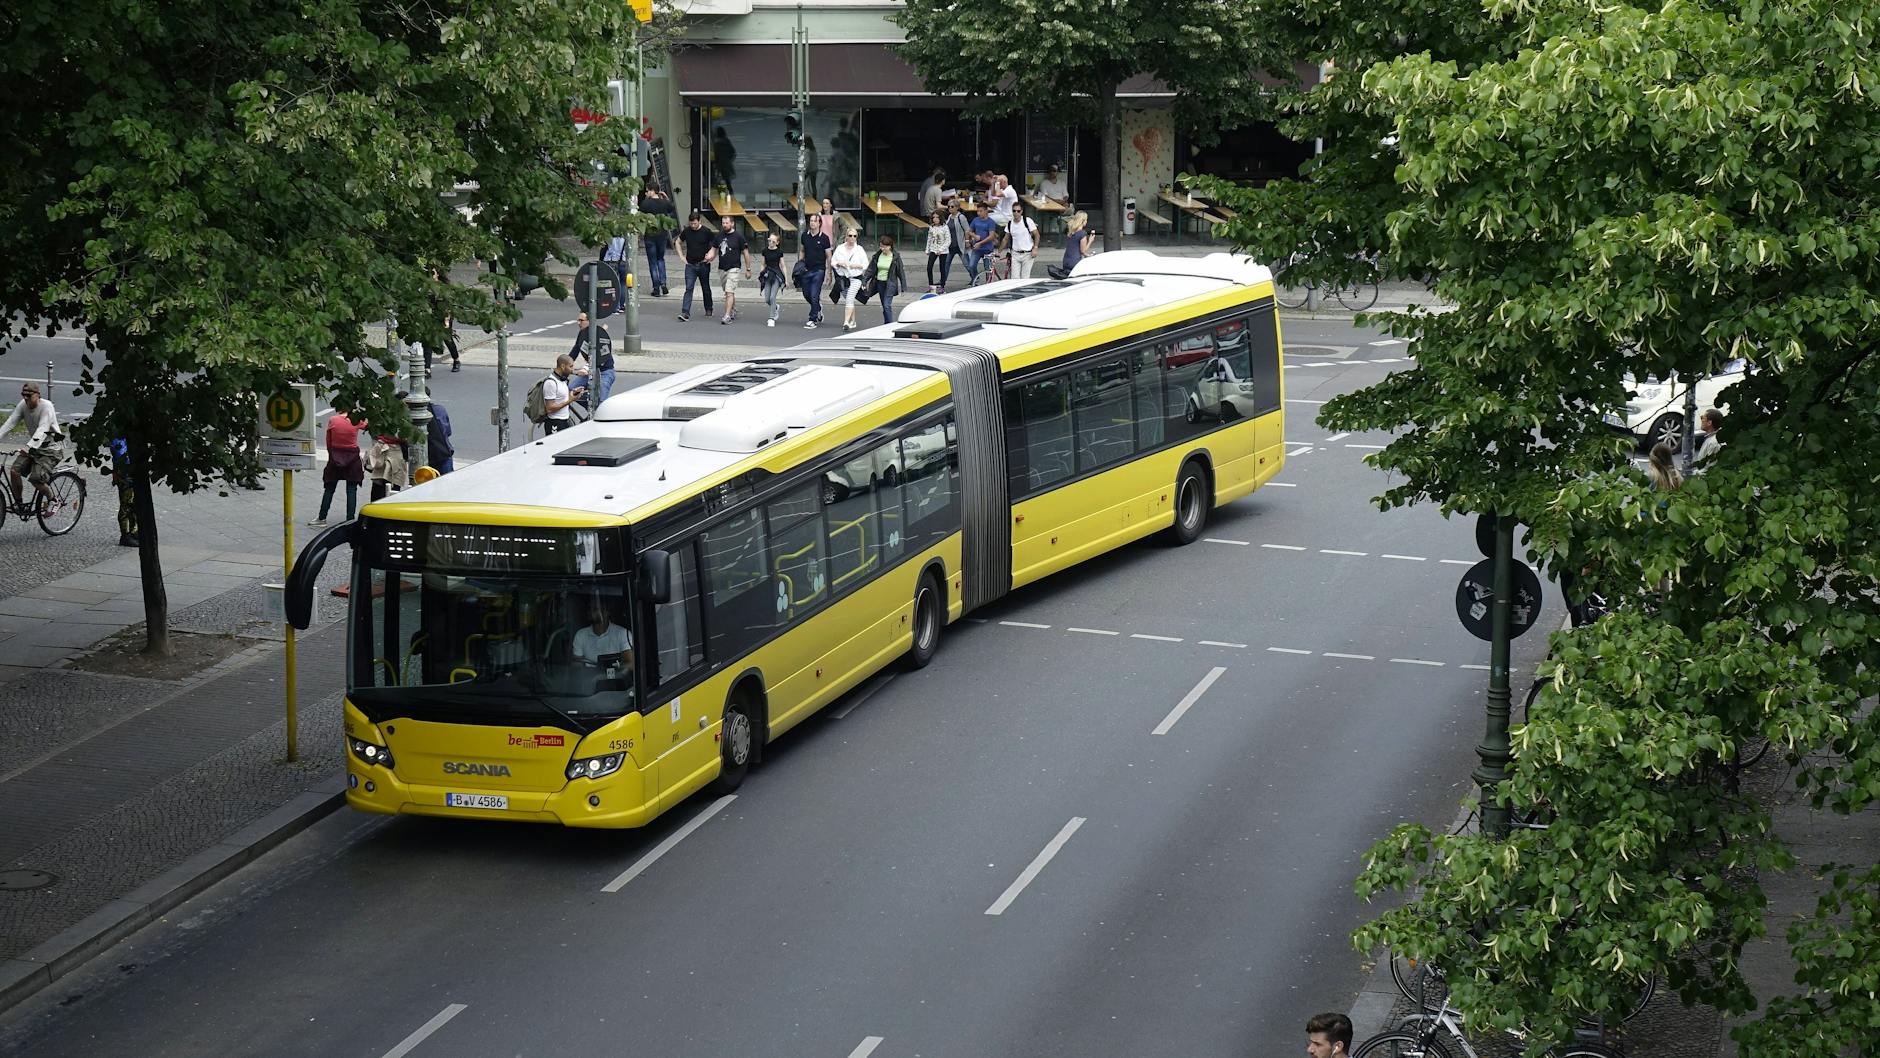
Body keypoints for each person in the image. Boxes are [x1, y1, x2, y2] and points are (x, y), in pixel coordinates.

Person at [2, 382, 61, 513]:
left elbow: (43, 428)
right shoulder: (23, 405)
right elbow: (10, 422)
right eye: (24, 395)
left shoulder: (46, 406)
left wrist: (29, 446)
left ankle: (53, 500)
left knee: (36, 479)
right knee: (14, 471)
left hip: (51, 448)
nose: (26, 398)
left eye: (29, 395)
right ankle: (19, 503)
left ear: (37, 395)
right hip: (34, 447)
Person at [310, 409, 364, 525]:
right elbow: (366, 426)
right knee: (351, 489)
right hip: (352, 457)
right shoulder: (356, 420)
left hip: (335, 456)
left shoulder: (333, 420)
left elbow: (328, 440)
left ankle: (322, 517)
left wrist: (331, 455)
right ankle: (350, 520)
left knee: (329, 488)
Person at [674, 211, 717, 322]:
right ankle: (685, 312)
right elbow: (678, 242)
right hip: (690, 264)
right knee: (689, 288)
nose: (693, 226)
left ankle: (709, 308)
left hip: (703, 264)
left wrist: (712, 256)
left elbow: (715, 244)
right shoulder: (687, 231)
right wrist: (681, 256)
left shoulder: (706, 232)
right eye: (691, 223)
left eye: (695, 223)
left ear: (699, 221)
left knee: (705, 288)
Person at [572, 597, 634, 671]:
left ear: (606, 612)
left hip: (616, 679)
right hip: (588, 680)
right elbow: (577, 665)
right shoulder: (580, 635)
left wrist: (609, 672)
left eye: (595, 609)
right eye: (589, 609)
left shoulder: (623, 633)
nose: (590, 612)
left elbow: (630, 664)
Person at [570, 311, 614, 407]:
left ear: (589, 321)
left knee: (602, 400)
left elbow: (600, 359)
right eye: (578, 320)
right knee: (572, 390)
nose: (579, 323)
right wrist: (564, 365)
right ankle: (592, 410)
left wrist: (585, 368)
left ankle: (599, 411)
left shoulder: (599, 334)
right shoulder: (582, 334)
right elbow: (575, 351)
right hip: (590, 371)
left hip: (605, 371)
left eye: (581, 320)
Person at [638, 186, 675, 297]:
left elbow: (640, 215)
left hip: (650, 235)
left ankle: (656, 288)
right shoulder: (664, 203)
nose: (646, 193)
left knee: (652, 262)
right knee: (660, 259)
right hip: (662, 234)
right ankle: (663, 282)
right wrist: (666, 198)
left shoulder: (645, 204)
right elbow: (671, 208)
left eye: (647, 190)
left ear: (652, 191)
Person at [832, 227, 870, 331]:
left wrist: (856, 266)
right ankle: (853, 321)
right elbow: (833, 262)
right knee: (849, 299)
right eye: (850, 235)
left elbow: (866, 264)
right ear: (846, 236)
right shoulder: (840, 248)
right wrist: (839, 263)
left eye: (854, 236)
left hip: (856, 278)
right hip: (844, 279)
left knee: (849, 298)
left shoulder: (859, 249)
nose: (852, 238)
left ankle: (846, 322)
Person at [367, 408, 409, 503]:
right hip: (395, 454)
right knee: (394, 484)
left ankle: (375, 509)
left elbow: (373, 432)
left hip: (381, 451)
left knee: (378, 484)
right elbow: (405, 438)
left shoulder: (383, 416)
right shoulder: (403, 419)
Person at [715, 214, 751, 325]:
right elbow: (714, 249)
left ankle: (727, 315)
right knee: (728, 292)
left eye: (726, 223)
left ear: (732, 223)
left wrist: (748, 268)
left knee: (729, 292)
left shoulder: (738, 237)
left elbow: (745, 252)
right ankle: (733, 309)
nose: (724, 225)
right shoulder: (719, 236)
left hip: (734, 268)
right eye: (723, 223)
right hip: (722, 268)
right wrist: (708, 257)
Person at [866, 234, 907, 326]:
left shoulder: (895, 257)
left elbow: (901, 272)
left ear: (890, 246)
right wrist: (864, 281)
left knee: (887, 305)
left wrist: (903, 288)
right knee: (884, 306)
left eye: (884, 247)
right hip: (880, 283)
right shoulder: (877, 256)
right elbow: (870, 269)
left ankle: (890, 325)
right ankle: (886, 323)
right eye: (881, 246)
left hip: (890, 284)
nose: (882, 249)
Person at [798, 213, 831, 329]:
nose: (812, 223)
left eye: (815, 221)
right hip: (806, 270)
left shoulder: (824, 238)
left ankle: (813, 319)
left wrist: (829, 273)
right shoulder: (804, 236)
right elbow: (802, 250)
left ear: (819, 223)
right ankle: (817, 307)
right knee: (806, 294)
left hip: (819, 270)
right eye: (811, 221)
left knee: (814, 294)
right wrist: (800, 263)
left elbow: (828, 256)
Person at [542, 355, 587, 436]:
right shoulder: (551, 383)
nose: (572, 369)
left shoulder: (562, 380)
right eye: (571, 366)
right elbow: (549, 408)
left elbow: (562, 397)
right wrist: (571, 400)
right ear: (563, 366)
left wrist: (573, 393)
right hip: (555, 423)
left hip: (565, 421)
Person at [110, 438, 137, 547]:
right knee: (126, 504)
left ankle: (133, 532)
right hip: (125, 471)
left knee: (133, 503)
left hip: (128, 470)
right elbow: (120, 453)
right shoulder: (118, 435)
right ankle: (125, 535)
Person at [1003, 200, 1040, 280]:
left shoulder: (1027, 221)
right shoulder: (1010, 223)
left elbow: (1036, 235)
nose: (1016, 213)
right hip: (1015, 254)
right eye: (1014, 211)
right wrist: (999, 251)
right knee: (1014, 279)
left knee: (1024, 278)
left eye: (1018, 211)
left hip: (1027, 254)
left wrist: (1035, 248)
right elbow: (1005, 238)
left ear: (1021, 211)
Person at [758, 231, 787, 328]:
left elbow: (783, 266)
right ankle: (775, 307)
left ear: (777, 243)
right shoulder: (764, 251)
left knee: (772, 297)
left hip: (777, 275)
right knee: (767, 299)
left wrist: (786, 279)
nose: (771, 243)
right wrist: (762, 274)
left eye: (773, 241)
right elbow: (762, 264)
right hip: (767, 275)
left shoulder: (779, 252)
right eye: (769, 240)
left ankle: (771, 318)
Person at [966, 201, 999, 281]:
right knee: (971, 266)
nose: (978, 213)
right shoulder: (975, 220)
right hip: (977, 249)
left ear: (986, 211)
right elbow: (969, 231)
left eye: (981, 211)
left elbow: (991, 236)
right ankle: (976, 280)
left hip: (987, 249)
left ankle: (988, 283)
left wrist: (980, 243)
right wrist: (973, 237)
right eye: (978, 211)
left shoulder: (990, 222)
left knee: (988, 269)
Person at [944, 200, 973, 287]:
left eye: (952, 207)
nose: (950, 208)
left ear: (957, 207)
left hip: (960, 245)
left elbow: (967, 230)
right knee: (946, 263)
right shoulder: (949, 217)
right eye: (948, 206)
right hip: (950, 245)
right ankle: (943, 280)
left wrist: (967, 241)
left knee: (967, 264)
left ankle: (975, 278)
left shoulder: (961, 217)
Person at [924, 209, 952, 292]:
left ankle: (942, 286)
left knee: (942, 268)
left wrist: (941, 249)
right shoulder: (931, 227)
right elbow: (929, 238)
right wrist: (927, 249)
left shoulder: (945, 227)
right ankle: (931, 285)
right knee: (929, 267)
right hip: (933, 249)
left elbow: (948, 240)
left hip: (942, 251)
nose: (935, 219)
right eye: (934, 217)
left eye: (937, 217)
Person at [427, 397, 455, 475]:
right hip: (444, 451)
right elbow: (448, 432)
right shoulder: (439, 410)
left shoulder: (414, 413)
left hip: (431, 455)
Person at [709, 126, 736, 196]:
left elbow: (716, 155)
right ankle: (729, 193)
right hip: (726, 164)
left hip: (720, 164)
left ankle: (722, 195)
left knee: (719, 180)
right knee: (726, 180)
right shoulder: (726, 141)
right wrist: (728, 160)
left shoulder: (717, 143)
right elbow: (733, 152)